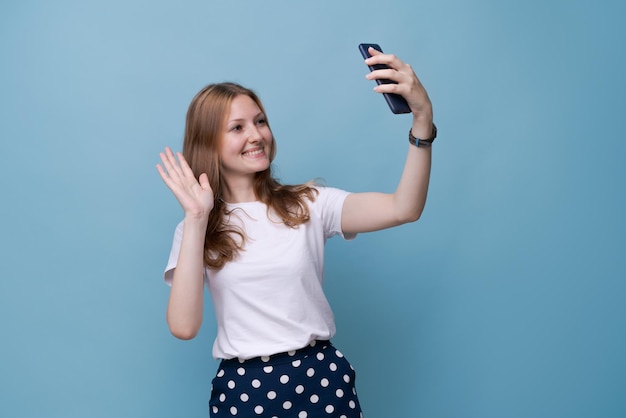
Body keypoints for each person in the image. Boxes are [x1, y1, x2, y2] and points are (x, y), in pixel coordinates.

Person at [156, 47, 436, 418]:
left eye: (260, 121)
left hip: (322, 380)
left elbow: (405, 208)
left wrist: (422, 119)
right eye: (237, 128)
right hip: (246, 392)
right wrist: (195, 217)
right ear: (208, 143)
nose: (256, 135)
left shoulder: (309, 203)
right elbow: (184, 326)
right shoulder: (196, 226)